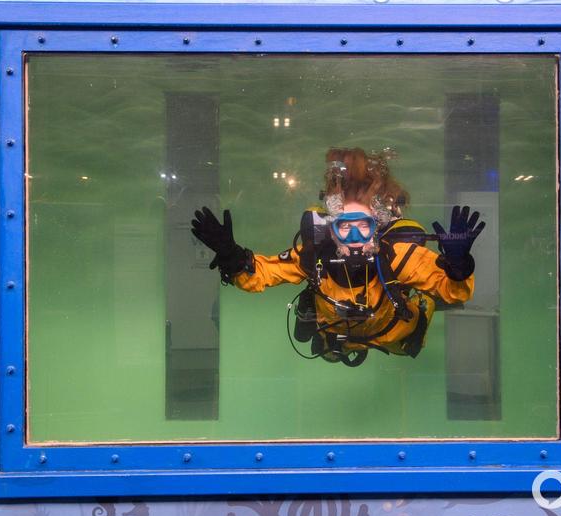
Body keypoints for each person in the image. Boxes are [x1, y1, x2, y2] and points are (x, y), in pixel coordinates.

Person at [190, 147, 485, 367]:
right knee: (327, 349)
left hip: (393, 334)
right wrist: (231, 255)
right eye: (344, 227)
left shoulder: (396, 255)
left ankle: (422, 306)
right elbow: (262, 274)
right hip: (338, 340)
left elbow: (454, 290)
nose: (354, 238)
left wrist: (458, 266)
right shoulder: (314, 256)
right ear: (332, 230)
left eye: (363, 227)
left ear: (377, 229)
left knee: (414, 338)